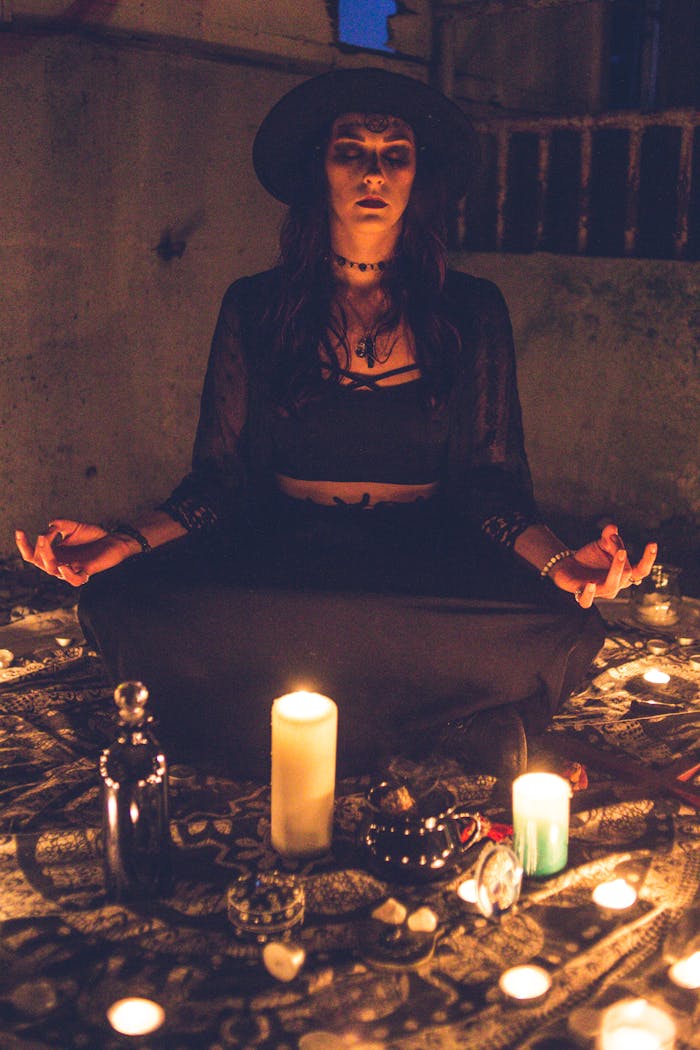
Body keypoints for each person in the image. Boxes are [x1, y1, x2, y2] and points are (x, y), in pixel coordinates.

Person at [16, 68, 656, 783]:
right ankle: (445, 719)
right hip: (287, 545)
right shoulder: (256, 306)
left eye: (395, 152)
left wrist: (560, 565)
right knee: (125, 596)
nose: (374, 170)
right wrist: (123, 542)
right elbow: (219, 481)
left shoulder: (471, 310)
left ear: (418, 175)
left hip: (422, 552)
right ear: (319, 170)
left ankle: (310, 707)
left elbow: (489, 486)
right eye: (352, 149)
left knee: (549, 616)